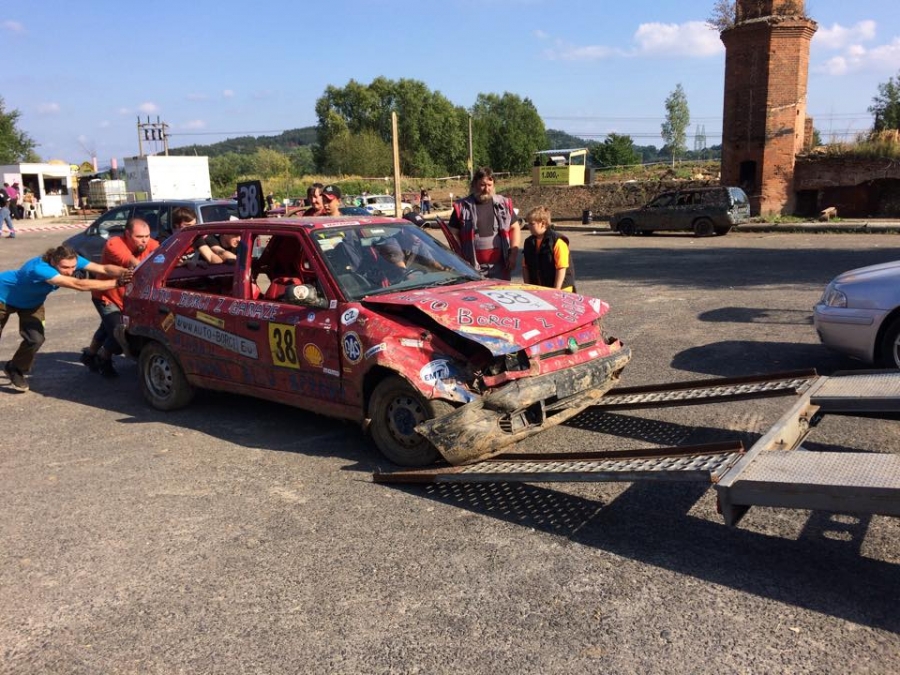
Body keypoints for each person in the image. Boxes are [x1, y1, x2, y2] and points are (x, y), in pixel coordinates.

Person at [0, 245, 132, 391]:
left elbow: (104, 269)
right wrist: (117, 283)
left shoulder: (70, 260)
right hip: (3, 297)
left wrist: (129, 273)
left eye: (73, 267)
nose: (70, 271)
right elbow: (78, 284)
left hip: (32, 303)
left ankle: (15, 368)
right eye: (65, 268)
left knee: (36, 339)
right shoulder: (39, 269)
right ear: (53, 262)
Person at [81, 218, 159, 377]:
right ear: (127, 234)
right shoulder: (114, 243)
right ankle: (103, 358)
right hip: (106, 296)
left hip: (127, 299)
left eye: (147, 236)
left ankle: (89, 355)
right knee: (119, 334)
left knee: (107, 328)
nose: (144, 240)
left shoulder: (152, 244)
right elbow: (133, 263)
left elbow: (162, 256)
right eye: (139, 237)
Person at [447, 167, 521, 280]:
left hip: (501, 268)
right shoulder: (462, 207)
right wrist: (460, 257)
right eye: (482, 185)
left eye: (489, 185)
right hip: (471, 268)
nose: (486, 189)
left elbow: (515, 228)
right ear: (474, 184)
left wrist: (513, 254)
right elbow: (452, 233)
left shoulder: (503, 204)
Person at [521, 206, 575, 292]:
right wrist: (528, 288)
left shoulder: (558, 241)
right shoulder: (529, 242)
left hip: (562, 290)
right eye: (528, 223)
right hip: (540, 289)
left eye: (532, 224)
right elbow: (525, 267)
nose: (528, 226)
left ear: (543, 223)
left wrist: (556, 291)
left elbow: (561, 268)